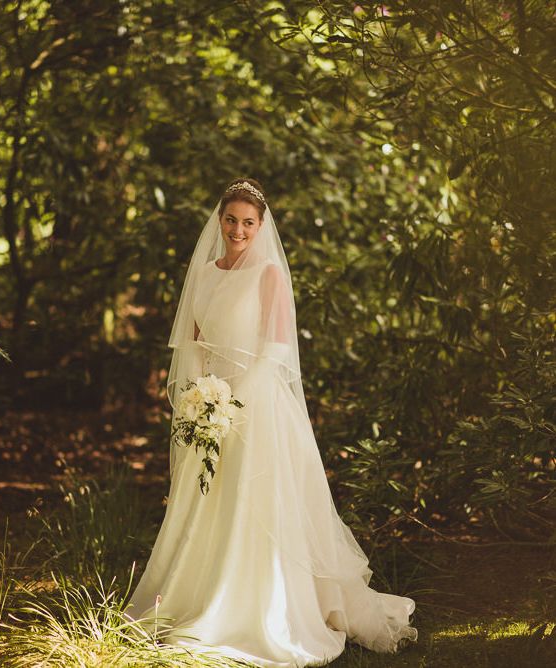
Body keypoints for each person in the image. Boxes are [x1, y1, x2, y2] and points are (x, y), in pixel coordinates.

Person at [124, 178, 418, 667]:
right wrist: (201, 400)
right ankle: (195, 598)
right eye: (231, 219)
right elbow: (192, 342)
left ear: (260, 227)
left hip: (255, 406)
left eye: (248, 222)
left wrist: (232, 403)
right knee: (204, 503)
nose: (238, 229)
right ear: (220, 220)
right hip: (209, 406)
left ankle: (259, 607)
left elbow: (276, 348)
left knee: (252, 502)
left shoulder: (268, 275)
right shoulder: (204, 271)